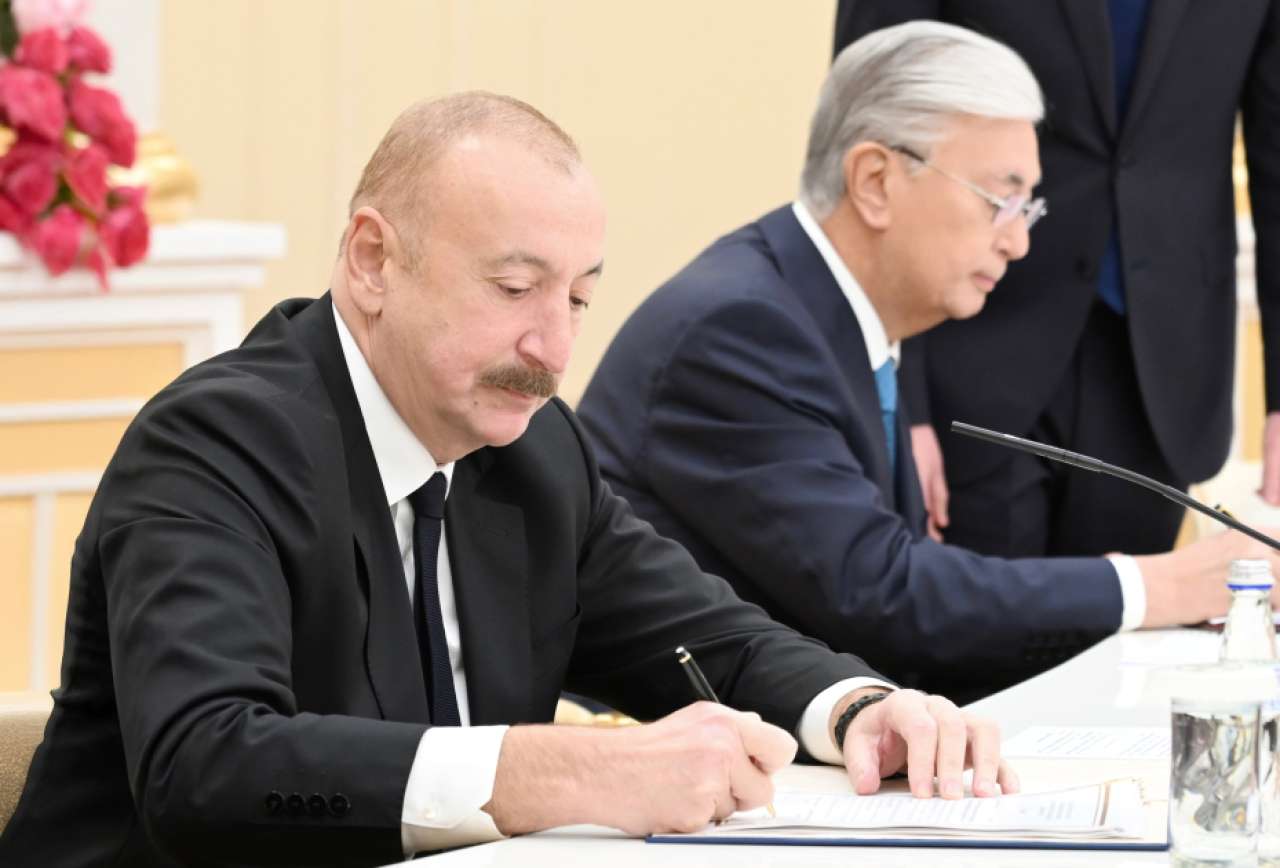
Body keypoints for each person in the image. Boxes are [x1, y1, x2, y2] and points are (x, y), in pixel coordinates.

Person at [0, 92, 1014, 868]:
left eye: (577, 299)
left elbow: (705, 638)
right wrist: (562, 769)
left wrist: (856, 710)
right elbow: (208, 767)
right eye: (515, 287)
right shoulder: (215, 442)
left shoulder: (534, 451)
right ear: (371, 260)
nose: (553, 348)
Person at [577, 22, 1280, 703]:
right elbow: (881, 594)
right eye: (1000, 200)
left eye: (1028, 209)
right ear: (875, 181)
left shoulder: (839, 316)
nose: (1018, 243)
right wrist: (1162, 585)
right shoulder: (741, 330)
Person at [831, 1, 1280, 558]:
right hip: (964, 356)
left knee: (1138, 608)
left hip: (1161, 375)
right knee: (967, 609)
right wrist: (900, 403)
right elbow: (869, 120)